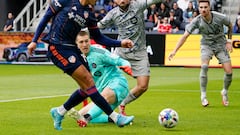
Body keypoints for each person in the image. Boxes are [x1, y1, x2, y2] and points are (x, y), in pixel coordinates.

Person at [27, 0, 134, 130]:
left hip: (72, 49)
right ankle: (116, 118)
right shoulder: (65, 1)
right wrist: (34, 41)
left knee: (87, 88)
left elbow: (99, 38)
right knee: (89, 81)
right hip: (57, 47)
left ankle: (59, 111)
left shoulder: (89, 14)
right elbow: (46, 17)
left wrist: (120, 43)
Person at [97, 0, 162, 115]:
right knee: (104, 78)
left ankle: (122, 103)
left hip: (140, 53)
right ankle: (97, 105)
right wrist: (81, 31)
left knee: (143, 86)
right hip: (121, 52)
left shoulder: (138, 6)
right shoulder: (113, 14)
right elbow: (98, 26)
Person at [168, 0, 233, 107]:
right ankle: (203, 96)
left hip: (221, 45)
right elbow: (184, 36)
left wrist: (229, 41)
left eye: (205, 7)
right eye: (201, 7)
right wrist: (174, 51)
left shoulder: (220, 17)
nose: (203, 9)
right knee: (204, 66)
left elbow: (230, 25)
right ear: (198, 8)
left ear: (209, 8)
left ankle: (224, 91)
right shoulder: (197, 21)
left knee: (229, 72)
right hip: (206, 45)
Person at [67, 29, 133, 127]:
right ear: (76, 44)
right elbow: (84, 84)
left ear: (90, 40)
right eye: (81, 42)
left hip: (117, 85)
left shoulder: (99, 52)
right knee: (79, 115)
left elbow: (120, 61)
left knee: (87, 115)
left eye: (86, 41)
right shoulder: (77, 60)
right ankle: (111, 118)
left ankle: (87, 119)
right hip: (101, 94)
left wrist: (127, 67)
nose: (85, 44)